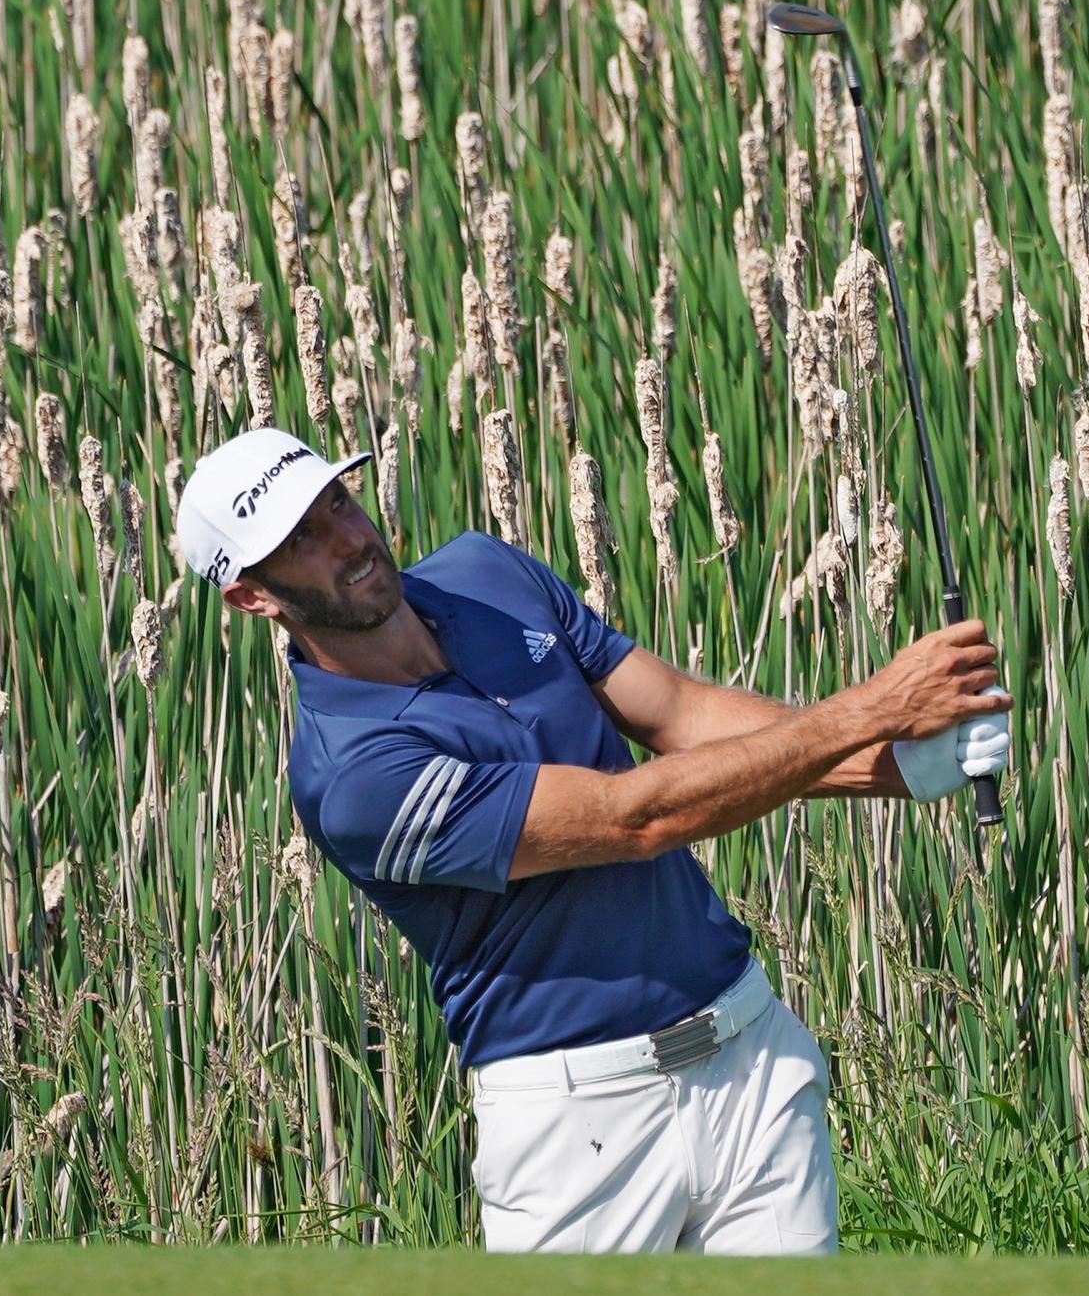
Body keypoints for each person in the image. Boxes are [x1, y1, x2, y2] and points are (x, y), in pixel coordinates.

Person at [173, 426, 1010, 1253]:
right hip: (579, 1129)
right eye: (304, 538)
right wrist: (871, 709)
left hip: (748, 1061)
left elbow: (678, 712)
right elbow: (632, 819)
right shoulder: (350, 774)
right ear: (253, 593)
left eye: (339, 501)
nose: (351, 539)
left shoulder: (484, 573)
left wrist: (892, 761)